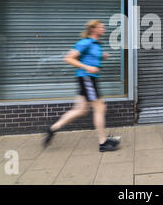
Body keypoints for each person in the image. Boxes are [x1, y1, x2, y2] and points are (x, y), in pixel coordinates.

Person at [43, 20, 120, 152]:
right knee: (100, 108)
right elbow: (68, 58)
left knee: (81, 110)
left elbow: (91, 57)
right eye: (101, 27)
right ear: (94, 29)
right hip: (87, 78)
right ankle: (103, 143)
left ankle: (52, 129)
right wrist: (87, 67)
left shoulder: (96, 44)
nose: (104, 29)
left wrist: (102, 57)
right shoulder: (86, 42)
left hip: (88, 79)